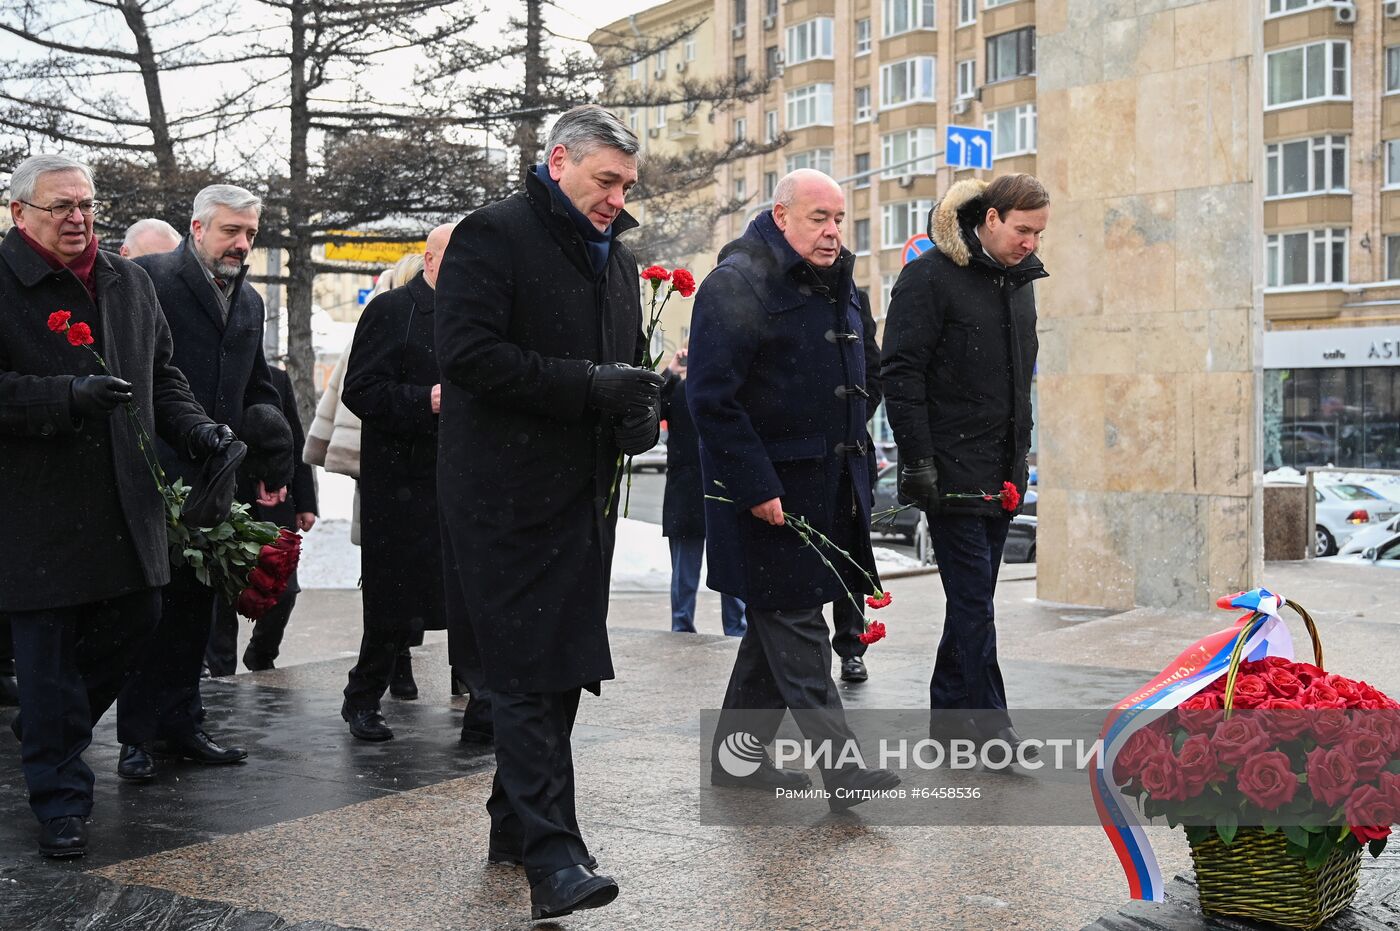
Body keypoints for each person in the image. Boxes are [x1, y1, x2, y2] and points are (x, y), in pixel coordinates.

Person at [435, 104, 662, 921]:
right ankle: (555, 859)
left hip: (580, 498)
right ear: (559, 159)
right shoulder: (492, 235)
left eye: (626, 184)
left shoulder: (618, 259)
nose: (616, 197)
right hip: (501, 495)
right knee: (527, 672)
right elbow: (466, 355)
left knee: (557, 666)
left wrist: (636, 410)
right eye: (606, 181)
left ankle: (510, 823)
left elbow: (621, 364)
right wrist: (587, 386)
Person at [0, 154, 230, 857]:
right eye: (60, 207)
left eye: (86, 205)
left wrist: (196, 427)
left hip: (124, 504)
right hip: (31, 510)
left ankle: (51, 729)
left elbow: (161, 374)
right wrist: (63, 398)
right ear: (19, 214)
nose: (78, 218)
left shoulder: (127, 280)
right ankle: (61, 801)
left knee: (140, 617)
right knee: (44, 656)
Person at [687, 169, 899, 809]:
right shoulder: (736, 283)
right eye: (819, 218)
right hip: (768, 497)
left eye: (839, 219)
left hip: (831, 487)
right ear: (781, 216)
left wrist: (846, 441)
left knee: (774, 630)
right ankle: (844, 771)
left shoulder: (843, 285)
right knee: (798, 626)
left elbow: (870, 372)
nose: (833, 231)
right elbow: (711, 400)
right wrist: (756, 482)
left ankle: (736, 763)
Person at [116, 184, 293, 781]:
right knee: (151, 611)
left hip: (214, 478)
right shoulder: (148, 281)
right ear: (196, 229)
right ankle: (136, 737)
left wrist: (272, 460)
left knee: (196, 608)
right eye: (230, 232)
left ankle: (182, 724)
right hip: (153, 471)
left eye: (250, 233)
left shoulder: (248, 304)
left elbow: (255, 388)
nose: (242, 244)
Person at [880, 174, 1049, 756]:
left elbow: (1018, 382)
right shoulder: (929, 276)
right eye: (1022, 230)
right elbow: (899, 372)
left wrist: (1021, 455)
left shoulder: (1019, 282)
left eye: (1039, 232)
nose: (1030, 242)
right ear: (992, 218)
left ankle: (951, 720)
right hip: (949, 468)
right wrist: (918, 458)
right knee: (974, 601)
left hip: (1000, 469)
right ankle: (990, 730)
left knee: (971, 602)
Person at [338, 226, 453, 741]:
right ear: (430, 260)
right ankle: (363, 697)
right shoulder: (390, 311)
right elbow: (360, 390)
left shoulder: (483, 315)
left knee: (469, 599)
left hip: (463, 481)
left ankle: (484, 706)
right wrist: (422, 400)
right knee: (391, 604)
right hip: (402, 483)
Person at [205, 365, 318, 674]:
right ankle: (219, 668)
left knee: (284, 590)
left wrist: (305, 502)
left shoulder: (277, 379)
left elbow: (294, 439)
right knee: (222, 596)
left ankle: (261, 654)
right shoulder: (210, 373)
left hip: (274, 508)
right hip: (224, 503)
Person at [659, 346, 746, 636]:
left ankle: (683, 626)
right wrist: (670, 374)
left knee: (688, 572)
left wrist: (671, 371)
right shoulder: (722, 393)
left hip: (693, 492)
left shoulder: (681, 393)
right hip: (715, 490)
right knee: (729, 568)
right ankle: (735, 629)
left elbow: (655, 403)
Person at [830, 289, 882, 683]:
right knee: (807, 551)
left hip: (852, 446)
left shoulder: (854, 298)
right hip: (803, 444)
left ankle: (851, 647)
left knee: (851, 552)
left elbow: (874, 371)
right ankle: (805, 646)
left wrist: (852, 416)